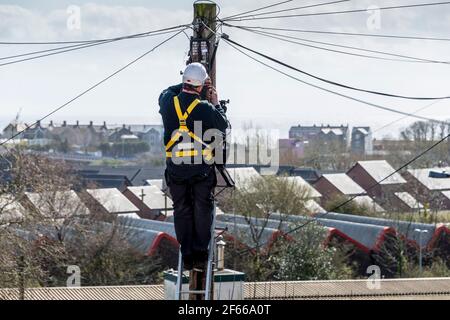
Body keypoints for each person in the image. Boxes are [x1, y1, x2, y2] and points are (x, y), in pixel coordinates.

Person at [158, 63, 229, 271]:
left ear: (184, 82)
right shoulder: (205, 108)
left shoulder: (168, 102)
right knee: (201, 209)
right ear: (201, 86)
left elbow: (168, 91)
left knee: (181, 209)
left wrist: (188, 83)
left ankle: (187, 255)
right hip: (200, 169)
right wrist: (216, 102)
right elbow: (223, 125)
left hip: (176, 168)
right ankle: (200, 254)